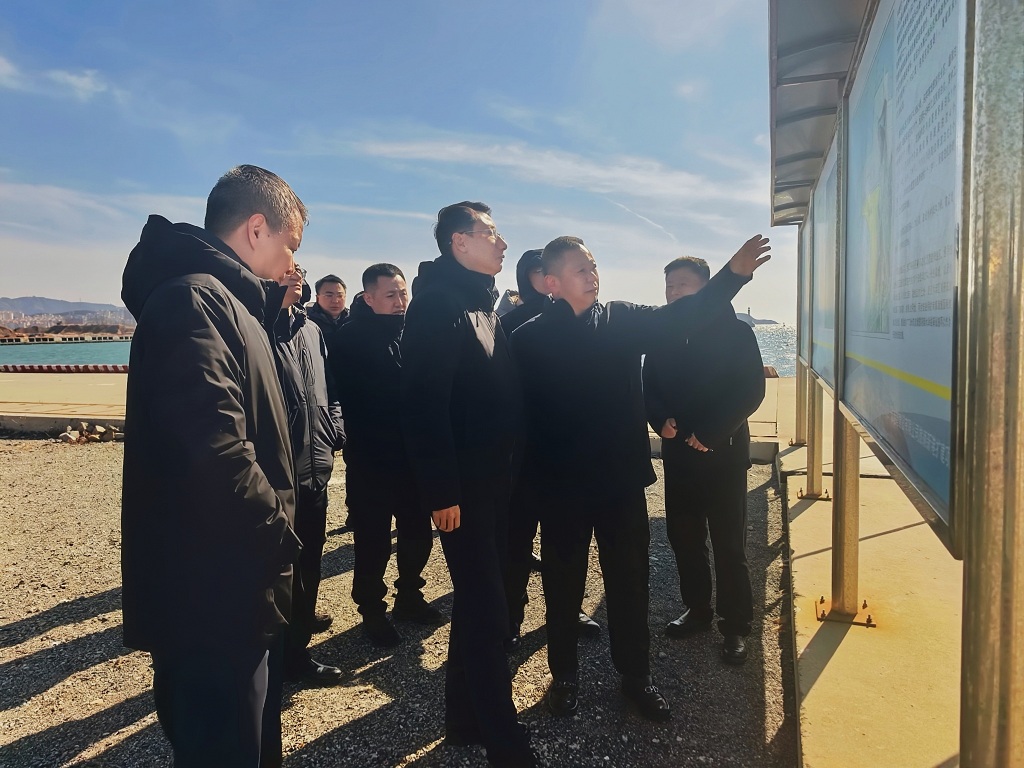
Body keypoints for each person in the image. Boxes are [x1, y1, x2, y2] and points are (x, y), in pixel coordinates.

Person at [509, 234, 770, 723]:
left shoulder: (622, 319)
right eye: (580, 269)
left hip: (621, 485)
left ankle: (636, 676)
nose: (592, 274)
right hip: (561, 488)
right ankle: (563, 675)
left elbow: (683, 316)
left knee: (630, 583)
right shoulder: (526, 340)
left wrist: (732, 275)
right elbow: (514, 419)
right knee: (562, 586)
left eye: (593, 265)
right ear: (551, 282)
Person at [120, 164, 306, 767]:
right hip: (215, 589)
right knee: (224, 744)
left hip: (239, 578)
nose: (292, 261)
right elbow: (213, 450)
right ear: (256, 228)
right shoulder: (193, 301)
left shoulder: (234, 304)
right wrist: (278, 531)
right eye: (290, 243)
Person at [401, 202, 534, 768]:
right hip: (465, 491)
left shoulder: (481, 302)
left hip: (495, 482)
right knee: (487, 610)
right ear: (459, 242)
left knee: (481, 604)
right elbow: (423, 404)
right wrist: (441, 492)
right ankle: (504, 740)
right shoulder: (438, 304)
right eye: (492, 234)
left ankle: (462, 718)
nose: (502, 244)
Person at [643, 256, 766, 665]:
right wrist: (660, 419)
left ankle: (735, 626)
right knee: (684, 538)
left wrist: (711, 433)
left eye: (682, 285)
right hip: (679, 456)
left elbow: (751, 391)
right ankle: (697, 608)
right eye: (669, 286)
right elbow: (649, 388)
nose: (673, 293)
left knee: (729, 543)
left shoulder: (737, 333)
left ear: (707, 288)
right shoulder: (662, 336)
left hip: (724, 455)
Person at [331, 263, 444, 647]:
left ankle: (409, 596)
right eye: (391, 295)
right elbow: (342, 398)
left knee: (417, 535)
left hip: (413, 460)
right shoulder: (350, 339)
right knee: (373, 541)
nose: (399, 302)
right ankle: (372, 611)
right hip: (371, 461)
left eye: (403, 293)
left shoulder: (415, 333)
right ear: (369, 298)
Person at [499, 249, 600, 645]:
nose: (545, 278)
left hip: (567, 457)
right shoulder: (511, 324)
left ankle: (568, 610)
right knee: (516, 543)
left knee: (567, 543)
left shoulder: (583, 319)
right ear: (527, 278)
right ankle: (510, 618)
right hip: (522, 457)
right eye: (537, 272)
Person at [268, 264, 347, 685]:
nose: (295, 275)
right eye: (285, 270)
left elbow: (330, 390)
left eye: (297, 268)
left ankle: (298, 641)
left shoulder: (311, 331)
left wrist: (335, 427)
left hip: (315, 468)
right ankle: (281, 656)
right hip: (276, 478)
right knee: (277, 569)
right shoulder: (256, 328)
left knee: (310, 561)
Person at [307, 274, 349, 346]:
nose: (335, 301)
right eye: (329, 295)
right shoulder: (306, 323)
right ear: (317, 298)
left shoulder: (352, 321)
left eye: (340, 296)